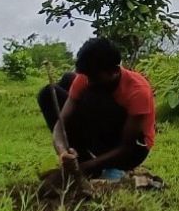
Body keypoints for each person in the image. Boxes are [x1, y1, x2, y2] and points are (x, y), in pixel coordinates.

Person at [51, 37, 155, 180]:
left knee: (92, 96)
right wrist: (63, 152)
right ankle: (84, 160)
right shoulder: (86, 77)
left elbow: (127, 147)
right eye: (87, 76)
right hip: (98, 141)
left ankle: (110, 168)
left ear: (115, 71)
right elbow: (60, 124)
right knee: (49, 93)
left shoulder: (138, 91)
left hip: (132, 152)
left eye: (94, 77)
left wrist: (85, 167)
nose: (89, 81)